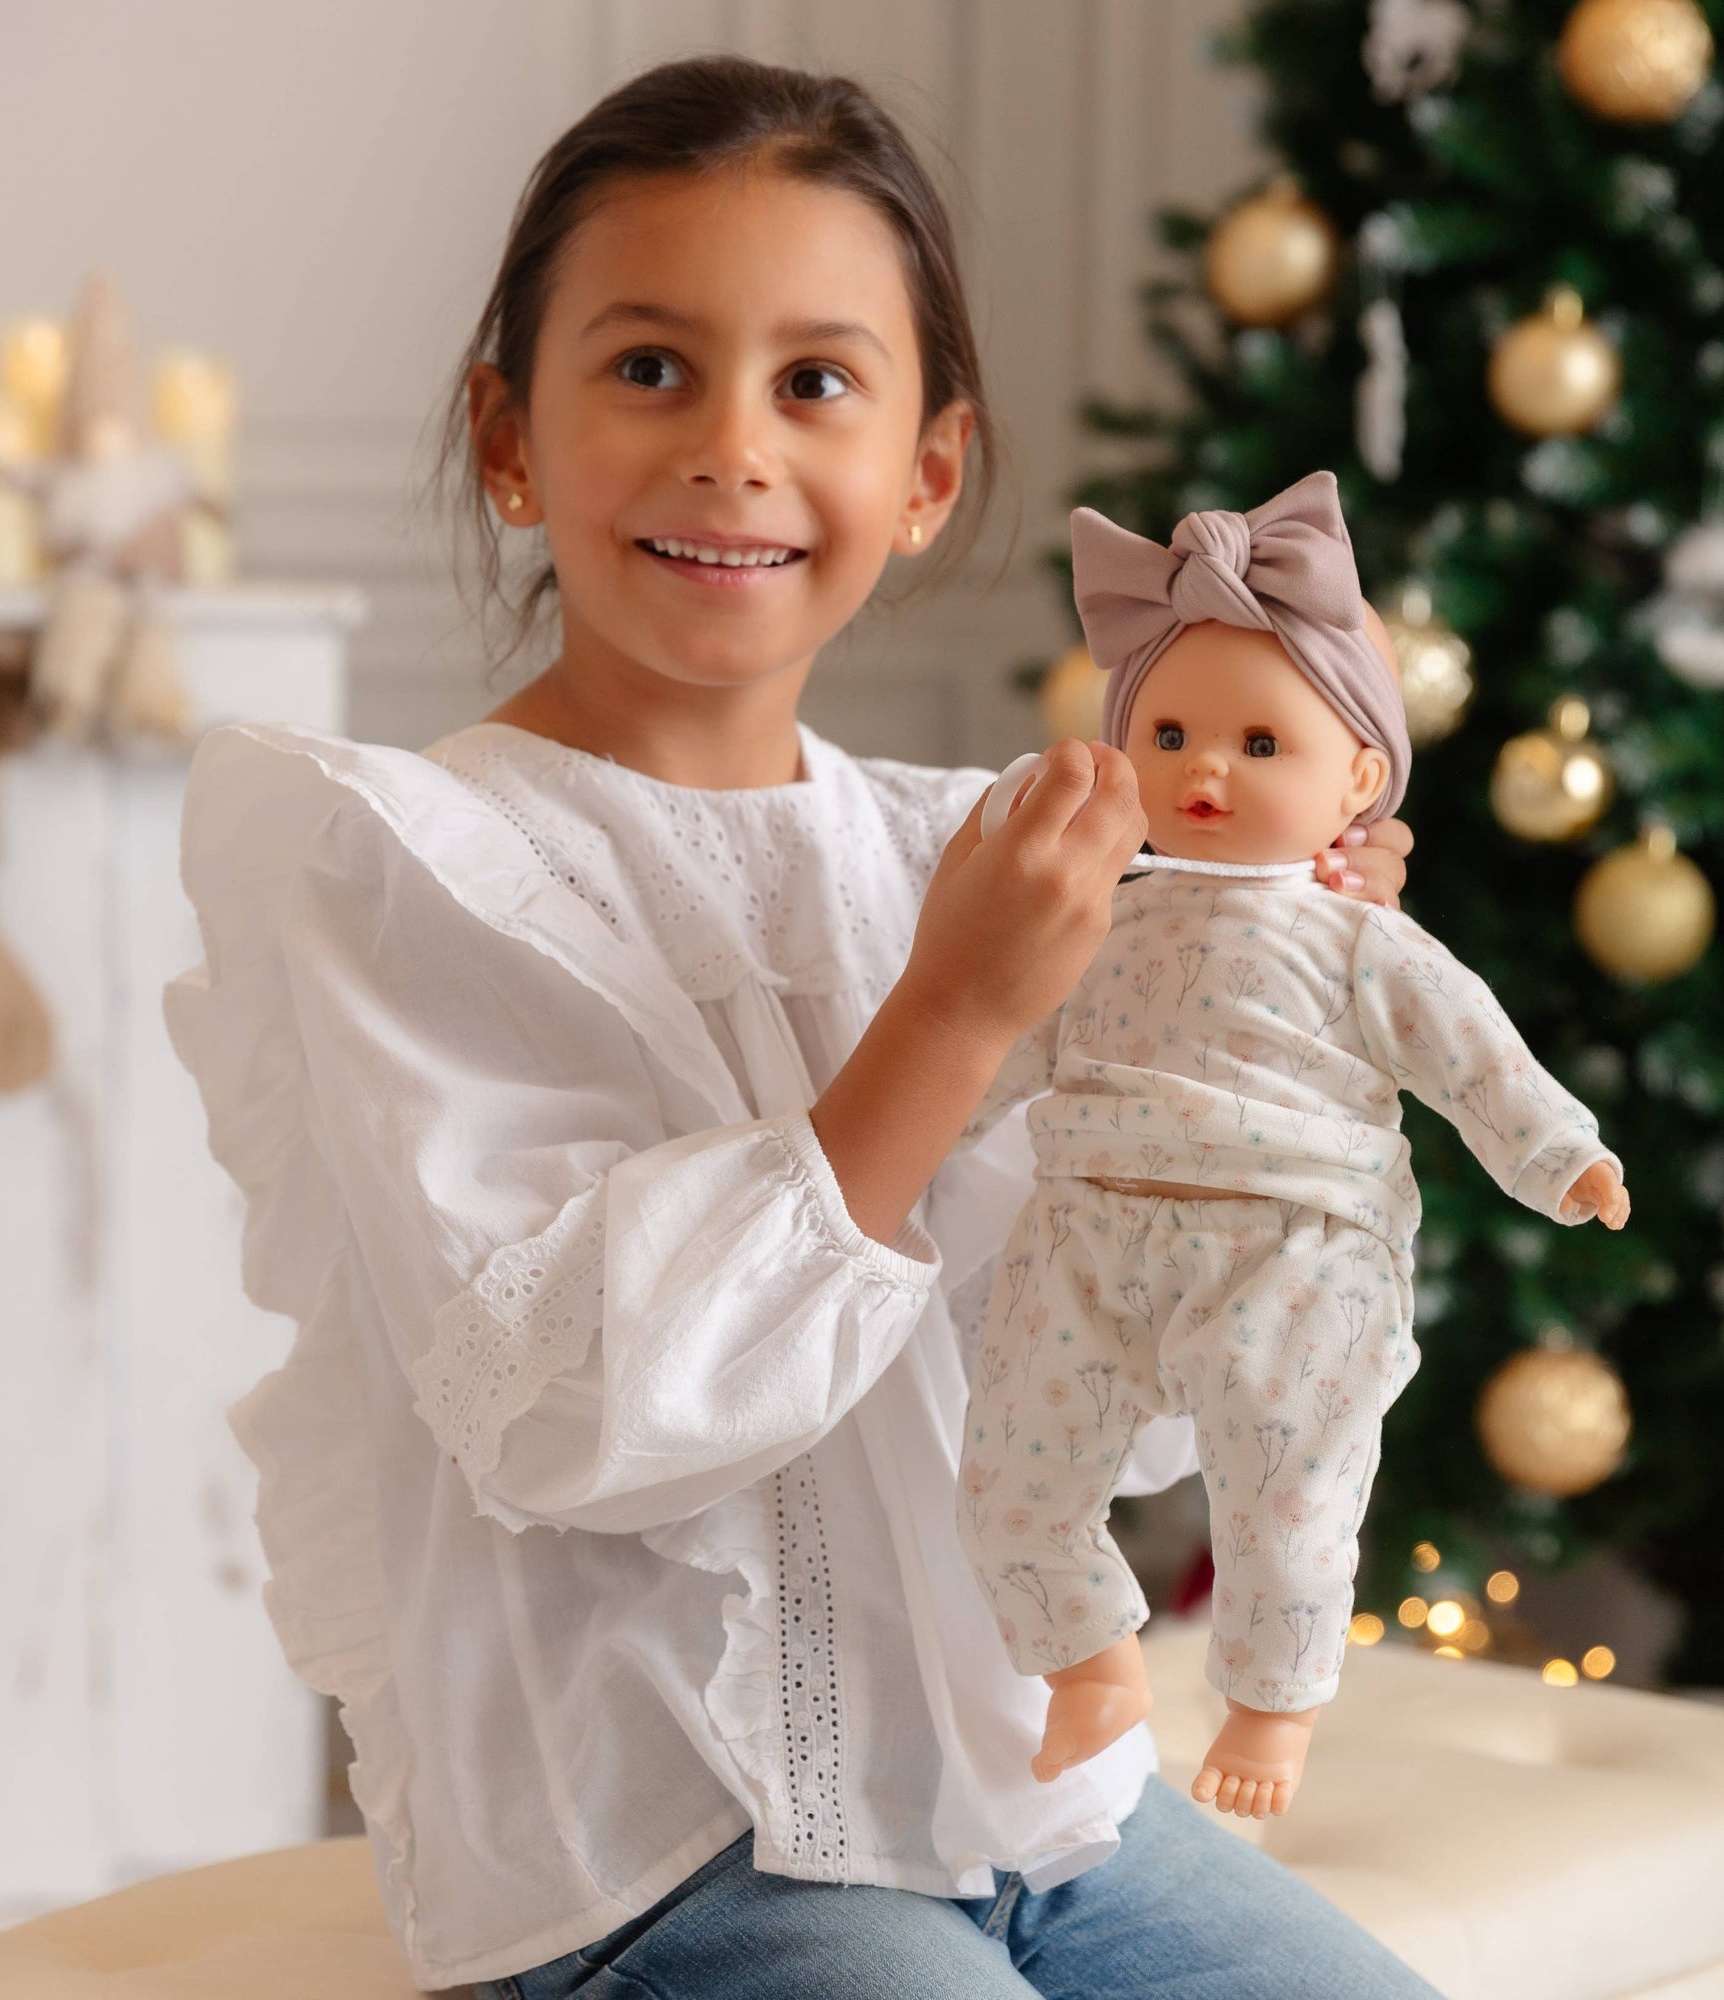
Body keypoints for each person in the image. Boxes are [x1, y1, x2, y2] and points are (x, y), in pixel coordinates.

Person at [166, 54, 1432, 2000]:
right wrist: (948, 1013)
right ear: (512, 437)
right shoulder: (400, 867)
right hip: (667, 1858)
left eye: (817, 382)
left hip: (1045, 1811)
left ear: (925, 472)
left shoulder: (968, 849)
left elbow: (1141, 1391)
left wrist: (1262, 1036)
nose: (734, 448)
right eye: (651, 368)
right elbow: (567, 1409)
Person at [958, 475, 1627, 1821]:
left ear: (1359, 779)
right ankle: (1090, 1658)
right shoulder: (1095, 916)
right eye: (1171, 733)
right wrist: (930, 1125)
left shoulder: (1356, 936)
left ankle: (1271, 1702)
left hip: (1291, 1250)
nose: (1206, 770)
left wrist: (1562, 1155)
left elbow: (1470, 1052)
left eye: (1262, 744)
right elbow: (1004, 1042)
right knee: (1012, 1468)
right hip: (1089, 1226)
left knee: (1289, 1495)